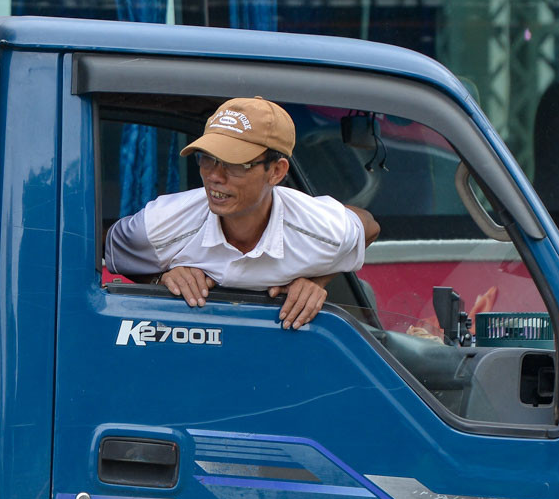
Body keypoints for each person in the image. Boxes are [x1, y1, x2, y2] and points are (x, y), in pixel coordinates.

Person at [103, 97, 381, 328]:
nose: (214, 176)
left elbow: (369, 227)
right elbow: (101, 243)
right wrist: (159, 278)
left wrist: (315, 281)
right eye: (207, 159)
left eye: (235, 164)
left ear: (276, 171)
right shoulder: (162, 222)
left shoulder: (319, 228)